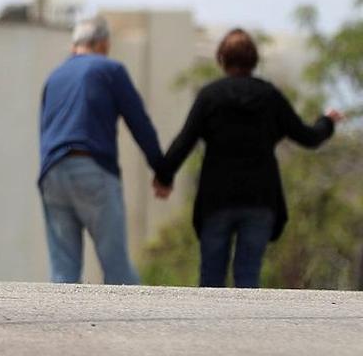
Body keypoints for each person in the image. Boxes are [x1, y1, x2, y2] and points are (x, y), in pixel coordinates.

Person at [153, 29, 343, 288]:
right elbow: (307, 136)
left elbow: (184, 141)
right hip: (260, 199)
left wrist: (164, 178)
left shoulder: (211, 96)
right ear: (254, 60)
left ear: (222, 59)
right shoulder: (269, 96)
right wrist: (327, 122)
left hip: (216, 199)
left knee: (210, 279)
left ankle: (208, 329)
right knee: (247, 276)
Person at [39, 16, 165, 284]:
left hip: (52, 173)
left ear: (75, 46)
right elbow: (139, 122)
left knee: (64, 272)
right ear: (104, 44)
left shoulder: (54, 77)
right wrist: (162, 171)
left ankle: (62, 325)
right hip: (91, 169)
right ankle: (138, 325)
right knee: (117, 268)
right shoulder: (111, 70)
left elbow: (46, 128)